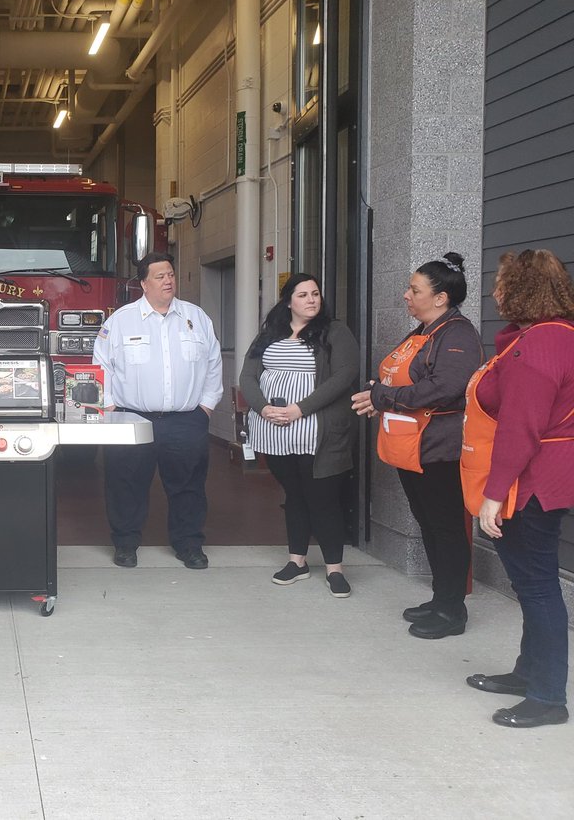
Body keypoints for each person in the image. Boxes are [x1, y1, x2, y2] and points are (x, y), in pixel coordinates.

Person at [463, 249, 574, 729]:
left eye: (501, 282)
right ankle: (529, 674)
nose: (494, 291)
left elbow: (520, 429)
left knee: (538, 587)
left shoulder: (536, 348)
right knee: (534, 584)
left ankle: (548, 696)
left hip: (531, 485)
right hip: (550, 477)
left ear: (518, 289)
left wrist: (494, 491)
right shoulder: (560, 336)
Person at [351, 252, 482, 639]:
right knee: (428, 524)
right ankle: (441, 597)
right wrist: (379, 394)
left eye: (415, 289)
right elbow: (402, 381)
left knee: (446, 528)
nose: (406, 295)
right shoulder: (422, 332)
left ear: (440, 298)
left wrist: (385, 398)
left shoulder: (457, 334)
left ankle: (452, 610)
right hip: (412, 448)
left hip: (441, 449)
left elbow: (444, 388)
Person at [93, 252, 223, 570]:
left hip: (185, 420)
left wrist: (204, 408)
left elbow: (213, 365)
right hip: (131, 418)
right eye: (160, 276)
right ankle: (125, 544)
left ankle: (189, 545)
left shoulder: (196, 318)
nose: (168, 280)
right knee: (125, 483)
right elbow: (100, 366)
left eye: (170, 274)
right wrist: (111, 409)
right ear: (143, 284)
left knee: (188, 487)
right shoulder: (120, 322)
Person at [240, 274, 358, 596]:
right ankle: (298, 561)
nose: (311, 300)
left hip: (316, 432)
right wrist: (263, 407)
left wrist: (300, 409)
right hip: (274, 431)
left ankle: (334, 568)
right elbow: (248, 375)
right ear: (288, 300)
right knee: (294, 495)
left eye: (315, 293)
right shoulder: (270, 334)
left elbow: (344, 376)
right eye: (303, 294)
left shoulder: (335, 332)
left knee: (322, 499)